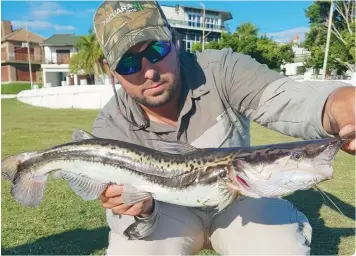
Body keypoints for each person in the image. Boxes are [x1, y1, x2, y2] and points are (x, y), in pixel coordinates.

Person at [91, 0, 355, 254]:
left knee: (278, 247)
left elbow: (288, 98)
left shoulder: (223, 69)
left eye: (156, 50)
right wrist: (140, 209)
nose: (148, 71)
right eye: (127, 62)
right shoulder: (108, 128)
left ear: (174, 40)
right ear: (111, 69)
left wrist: (339, 105)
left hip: (242, 200)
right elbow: (117, 211)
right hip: (163, 211)